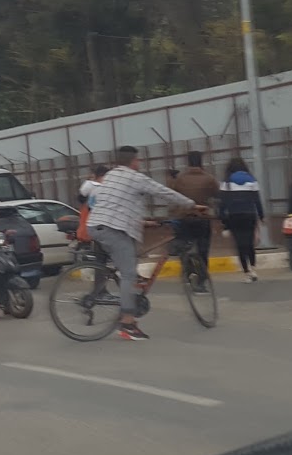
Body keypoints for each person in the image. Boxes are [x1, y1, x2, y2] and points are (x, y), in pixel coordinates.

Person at [88, 146, 203, 341]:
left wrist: (145, 222)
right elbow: (163, 192)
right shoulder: (134, 177)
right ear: (133, 161)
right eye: (138, 160)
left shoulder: (111, 176)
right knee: (129, 274)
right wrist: (191, 204)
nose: (139, 163)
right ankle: (127, 323)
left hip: (97, 225)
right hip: (112, 229)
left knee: (130, 260)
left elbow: (117, 205)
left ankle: (124, 295)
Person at [172, 151, 221, 273]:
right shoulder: (209, 178)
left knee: (185, 249)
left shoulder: (180, 179)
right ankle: (202, 280)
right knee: (203, 250)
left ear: (188, 163)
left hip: (184, 219)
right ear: (201, 162)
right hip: (202, 219)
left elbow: (174, 196)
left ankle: (188, 275)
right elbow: (217, 195)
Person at [220, 158, 264, 283]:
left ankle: (247, 273)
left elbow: (222, 204)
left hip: (234, 216)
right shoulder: (252, 180)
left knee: (240, 245)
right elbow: (257, 200)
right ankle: (253, 269)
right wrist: (261, 216)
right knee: (249, 242)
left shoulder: (226, 182)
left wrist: (223, 221)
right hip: (250, 215)